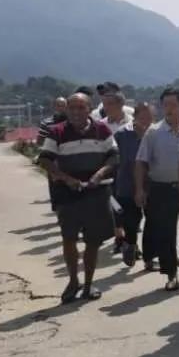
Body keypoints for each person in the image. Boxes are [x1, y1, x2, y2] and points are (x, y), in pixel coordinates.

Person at [37, 92, 119, 303]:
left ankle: (89, 285)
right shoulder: (57, 132)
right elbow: (45, 160)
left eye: (81, 107)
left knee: (93, 242)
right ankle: (73, 281)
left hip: (97, 193)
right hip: (68, 194)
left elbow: (114, 156)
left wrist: (100, 174)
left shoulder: (101, 130)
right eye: (71, 108)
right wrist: (65, 178)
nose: (75, 112)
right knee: (69, 239)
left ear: (89, 108)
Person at [136, 88, 179, 291]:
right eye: (165, 104)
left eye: (173, 105)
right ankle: (171, 274)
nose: (168, 109)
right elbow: (141, 162)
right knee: (167, 234)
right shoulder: (153, 132)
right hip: (162, 189)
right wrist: (140, 189)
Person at [113, 101, 152, 268]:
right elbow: (115, 161)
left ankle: (150, 257)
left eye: (150, 118)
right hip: (127, 185)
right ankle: (130, 244)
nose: (146, 121)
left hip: (152, 185)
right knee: (132, 220)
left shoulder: (156, 133)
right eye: (142, 117)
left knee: (152, 222)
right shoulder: (122, 135)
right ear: (134, 117)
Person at [97, 87, 133, 253]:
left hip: (131, 171)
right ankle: (120, 237)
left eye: (110, 103)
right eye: (104, 103)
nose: (106, 107)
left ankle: (130, 240)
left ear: (121, 104)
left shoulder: (132, 123)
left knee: (131, 207)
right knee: (114, 205)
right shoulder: (100, 126)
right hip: (110, 170)